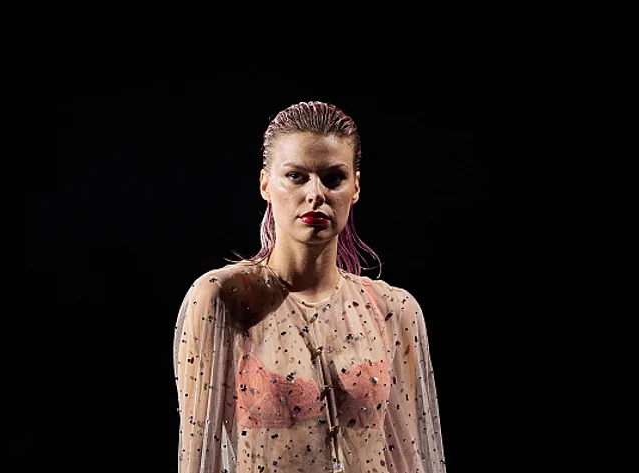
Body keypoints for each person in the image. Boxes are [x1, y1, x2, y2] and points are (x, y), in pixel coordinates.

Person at [173, 101, 446, 473]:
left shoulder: (394, 310)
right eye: (296, 176)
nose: (315, 193)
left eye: (333, 178)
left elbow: (409, 457)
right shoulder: (223, 299)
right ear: (265, 184)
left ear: (355, 187)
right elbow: (198, 456)